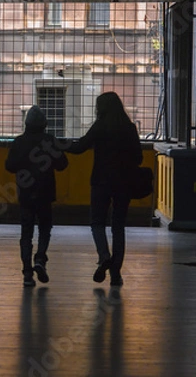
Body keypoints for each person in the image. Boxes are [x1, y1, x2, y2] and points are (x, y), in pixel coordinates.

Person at [65, 92, 143, 287]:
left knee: (97, 222)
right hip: (124, 184)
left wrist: (57, 144)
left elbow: (79, 147)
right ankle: (116, 275)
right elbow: (139, 158)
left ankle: (104, 255)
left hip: (101, 182)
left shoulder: (100, 127)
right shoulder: (129, 128)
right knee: (118, 227)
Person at [5, 105, 68, 287]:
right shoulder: (49, 141)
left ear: (26, 123)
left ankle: (26, 273)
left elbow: (9, 166)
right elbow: (62, 164)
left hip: (25, 193)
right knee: (45, 228)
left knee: (26, 232)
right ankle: (40, 258)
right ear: (44, 124)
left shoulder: (19, 142)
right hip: (45, 193)